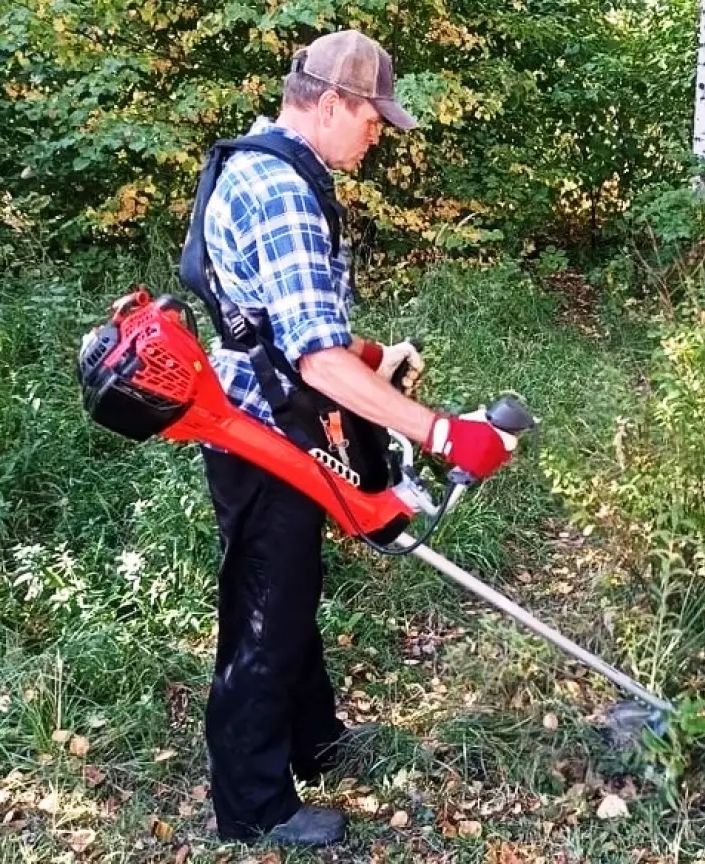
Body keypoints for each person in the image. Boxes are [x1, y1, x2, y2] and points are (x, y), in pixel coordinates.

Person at [191, 29, 514, 847]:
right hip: (261, 433)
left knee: (290, 589)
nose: (380, 134)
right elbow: (316, 359)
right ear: (331, 102)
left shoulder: (267, 166)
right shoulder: (283, 191)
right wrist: (442, 432)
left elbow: (288, 328)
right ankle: (254, 808)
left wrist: (377, 359)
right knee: (266, 606)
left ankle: (316, 742)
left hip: (268, 419)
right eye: (373, 118)